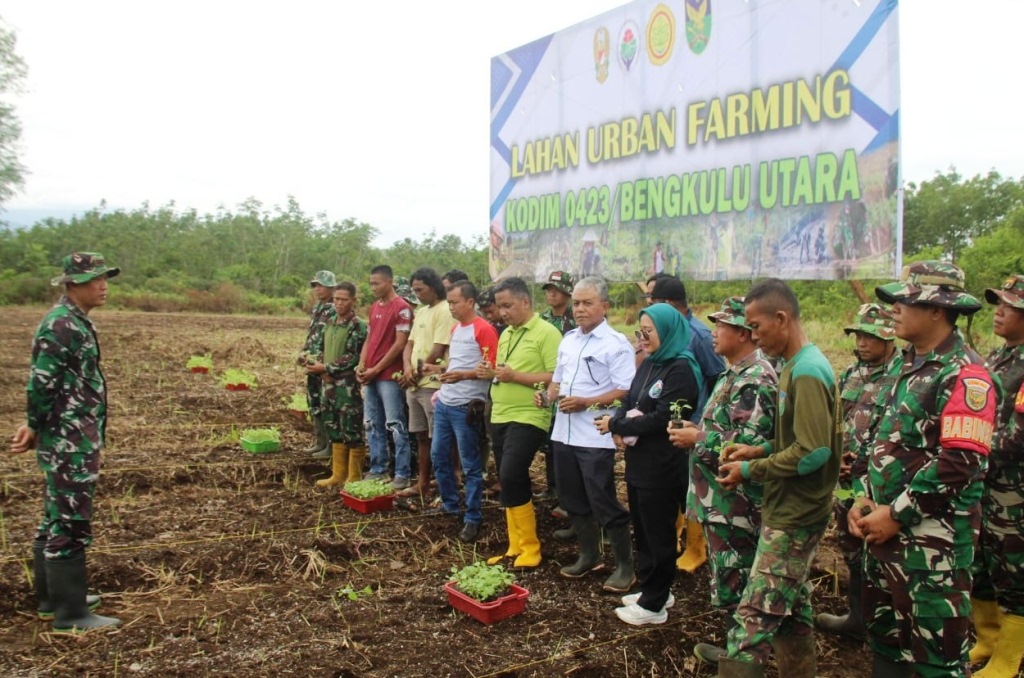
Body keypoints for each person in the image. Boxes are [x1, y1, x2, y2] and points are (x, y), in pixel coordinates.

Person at [848, 261, 996, 678]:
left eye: (906, 300)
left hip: (933, 550)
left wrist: (896, 514)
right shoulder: (903, 364)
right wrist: (863, 496)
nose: (894, 307)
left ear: (938, 310)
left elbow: (959, 462)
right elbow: (879, 437)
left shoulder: (967, 375)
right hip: (881, 536)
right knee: (887, 645)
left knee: (935, 660)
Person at [697, 278, 841, 677]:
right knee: (790, 609)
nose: (755, 338)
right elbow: (801, 438)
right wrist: (759, 449)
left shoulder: (807, 371)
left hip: (796, 513)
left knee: (752, 620)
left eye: (757, 327)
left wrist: (750, 469)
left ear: (782, 318)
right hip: (789, 507)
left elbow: (814, 453)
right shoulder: (795, 366)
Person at [9, 252, 122, 632]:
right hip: (68, 438)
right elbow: (41, 383)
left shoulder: (74, 321)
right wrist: (34, 424)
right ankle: (71, 614)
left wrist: (36, 424)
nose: (103, 285)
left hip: (70, 433)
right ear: (72, 283)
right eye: (95, 279)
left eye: (105, 277)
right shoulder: (61, 325)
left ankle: (54, 599)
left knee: (56, 513)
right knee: (70, 518)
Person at [667, 296, 777, 661]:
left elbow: (751, 445)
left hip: (737, 503)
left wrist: (698, 438)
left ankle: (743, 658)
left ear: (744, 333)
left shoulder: (755, 378)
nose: (713, 334)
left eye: (722, 327)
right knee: (728, 579)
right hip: (719, 500)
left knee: (740, 581)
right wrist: (697, 430)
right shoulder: (734, 372)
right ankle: (737, 649)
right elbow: (726, 428)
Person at [594, 303, 700, 625]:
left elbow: (663, 418)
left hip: (663, 465)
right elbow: (631, 399)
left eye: (648, 332)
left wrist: (617, 426)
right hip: (641, 462)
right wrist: (620, 417)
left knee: (658, 533)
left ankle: (654, 605)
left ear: (667, 331)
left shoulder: (681, 368)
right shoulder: (652, 362)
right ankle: (654, 589)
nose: (642, 338)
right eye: (640, 332)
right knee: (643, 527)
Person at [540, 277, 635, 592]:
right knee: (572, 499)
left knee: (603, 500)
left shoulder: (616, 344)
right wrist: (548, 397)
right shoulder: (569, 339)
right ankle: (590, 555)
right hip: (564, 435)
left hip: (595, 437)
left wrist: (587, 402)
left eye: (587, 303)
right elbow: (557, 380)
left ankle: (625, 566)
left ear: (604, 306)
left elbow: (625, 390)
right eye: (577, 303)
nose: (580, 309)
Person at [815, 303, 901, 639]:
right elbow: (834, 418)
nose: (862, 342)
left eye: (870, 336)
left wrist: (864, 462)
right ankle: (858, 618)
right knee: (849, 543)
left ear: (889, 337)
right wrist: (837, 455)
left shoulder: (901, 377)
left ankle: (889, 625)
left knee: (881, 553)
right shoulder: (852, 374)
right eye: (858, 335)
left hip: (881, 484)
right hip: (846, 480)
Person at [477, 277, 561, 569]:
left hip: (529, 414)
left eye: (508, 306)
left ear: (526, 302)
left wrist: (515, 377)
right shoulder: (507, 334)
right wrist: (492, 373)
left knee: (513, 472)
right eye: (500, 307)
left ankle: (531, 547)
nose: (503, 313)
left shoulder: (547, 333)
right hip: (500, 412)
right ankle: (515, 545)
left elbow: (556, 376)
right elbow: (505, 371)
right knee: (506, 477)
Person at [646, 273, 725, 573]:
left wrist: (702, 417)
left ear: (669, 304)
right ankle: (677, 537)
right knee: (673, 483)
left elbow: (716, 376)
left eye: (654, 302)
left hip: (694, 423)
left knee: (692, 486)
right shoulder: (660, 332)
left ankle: (697, 548)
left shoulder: (699, 335)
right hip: (669, 422)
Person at [971, 274, 1024, 677]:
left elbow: (1017, 437)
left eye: (1011, 306)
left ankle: (1011, 656)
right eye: (999, 303)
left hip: (1014, 489)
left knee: (1014, 569)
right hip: (984, 483)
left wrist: (970, 449)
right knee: (983, 563)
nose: (1000, 311)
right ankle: (987, 639)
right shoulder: (995, 358)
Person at [426, 281, 498, 543]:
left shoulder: (484, 330)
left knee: (470, 464)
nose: (451, 307)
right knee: (439, 456)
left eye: (455, 302)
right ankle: (450, 504)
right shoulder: (456, 329)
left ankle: (473, 516)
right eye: (449, 302)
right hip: (446, 403)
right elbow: (456, 362)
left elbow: (491, 368)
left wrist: (463, 376)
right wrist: (440, 370)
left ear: (470, 302)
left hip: (466, 406)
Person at [305, 282, 368, 488]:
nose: (339, 303)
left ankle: (354, 476)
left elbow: (353, 356)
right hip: (327, 383)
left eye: (344, 300)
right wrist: (320, 368)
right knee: (333, 425)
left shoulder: (357, 326)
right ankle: (338, 474)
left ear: (353, 301)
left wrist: (326, 367)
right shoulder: (330, 322)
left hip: (346, 385)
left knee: (351, 427)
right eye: (336, 299)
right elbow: (320, 348)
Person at [398, 267, 455, 496]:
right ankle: (422, 482)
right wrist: (406, 369)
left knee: (439, 437)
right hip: (414, 382)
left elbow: (439, 348)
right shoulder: (421, 312)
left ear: (433, 287)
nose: (417, 294)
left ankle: (444, 484)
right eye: (414, 290)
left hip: (432, 383)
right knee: (421, 435)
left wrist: (416, 372)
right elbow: (409, 344)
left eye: (420, 289)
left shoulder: (445, 310)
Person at [357, 265, 414, 489]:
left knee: (395, 424)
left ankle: (402, 473)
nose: (373, 288)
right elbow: (369, 339)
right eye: (371, 283)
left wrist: (377, 369)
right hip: (371, 375)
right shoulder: (374, 308)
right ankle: (378, 469)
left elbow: (400, 344)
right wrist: (361, 365)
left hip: (388, 376)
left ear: (389, 282)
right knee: (372, 423)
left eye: (377, 283)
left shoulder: (402, 309)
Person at [538, 270, 577, 505]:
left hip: (568, 388)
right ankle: (552, 487)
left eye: (556, 290)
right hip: (544, 384)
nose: (551, 294)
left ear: (567, 293)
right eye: (548, 290)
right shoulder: (541, 319)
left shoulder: (575, 320)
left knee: (563, 444)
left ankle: (566, 496)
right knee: (548, 445)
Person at [301, 270, 337, 459]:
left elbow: (331, 338)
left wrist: (324, 364)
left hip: (324, 364)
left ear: (331, 287)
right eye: (315, 285)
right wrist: (304, 353)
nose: (317, 289)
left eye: (320, 285)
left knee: (326, 404)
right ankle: (320, 442)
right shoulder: (317, 308)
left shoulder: (335, 308)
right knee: (313, 401)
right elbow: (312, 334)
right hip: (312, 361)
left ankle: (330, 446)